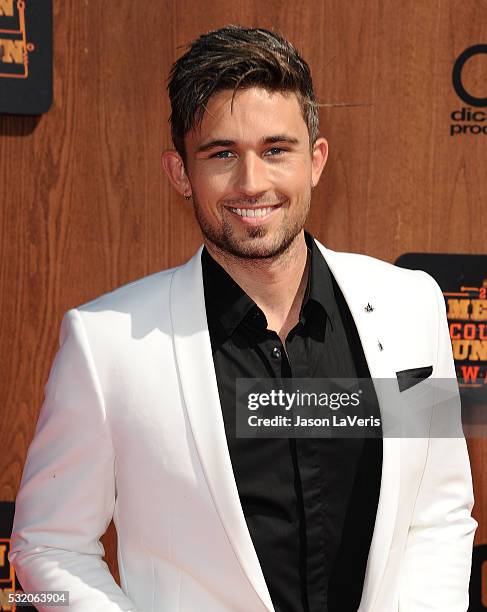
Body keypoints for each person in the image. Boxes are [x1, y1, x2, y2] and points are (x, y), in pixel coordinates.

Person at [9, 25, 476, 612]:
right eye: (222, 154)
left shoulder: (410, 310)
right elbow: (45, 547)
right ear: (181, 173)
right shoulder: (107, 346)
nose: (252, 183)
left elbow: (437, 513)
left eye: (275, 149)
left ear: (316, 161)